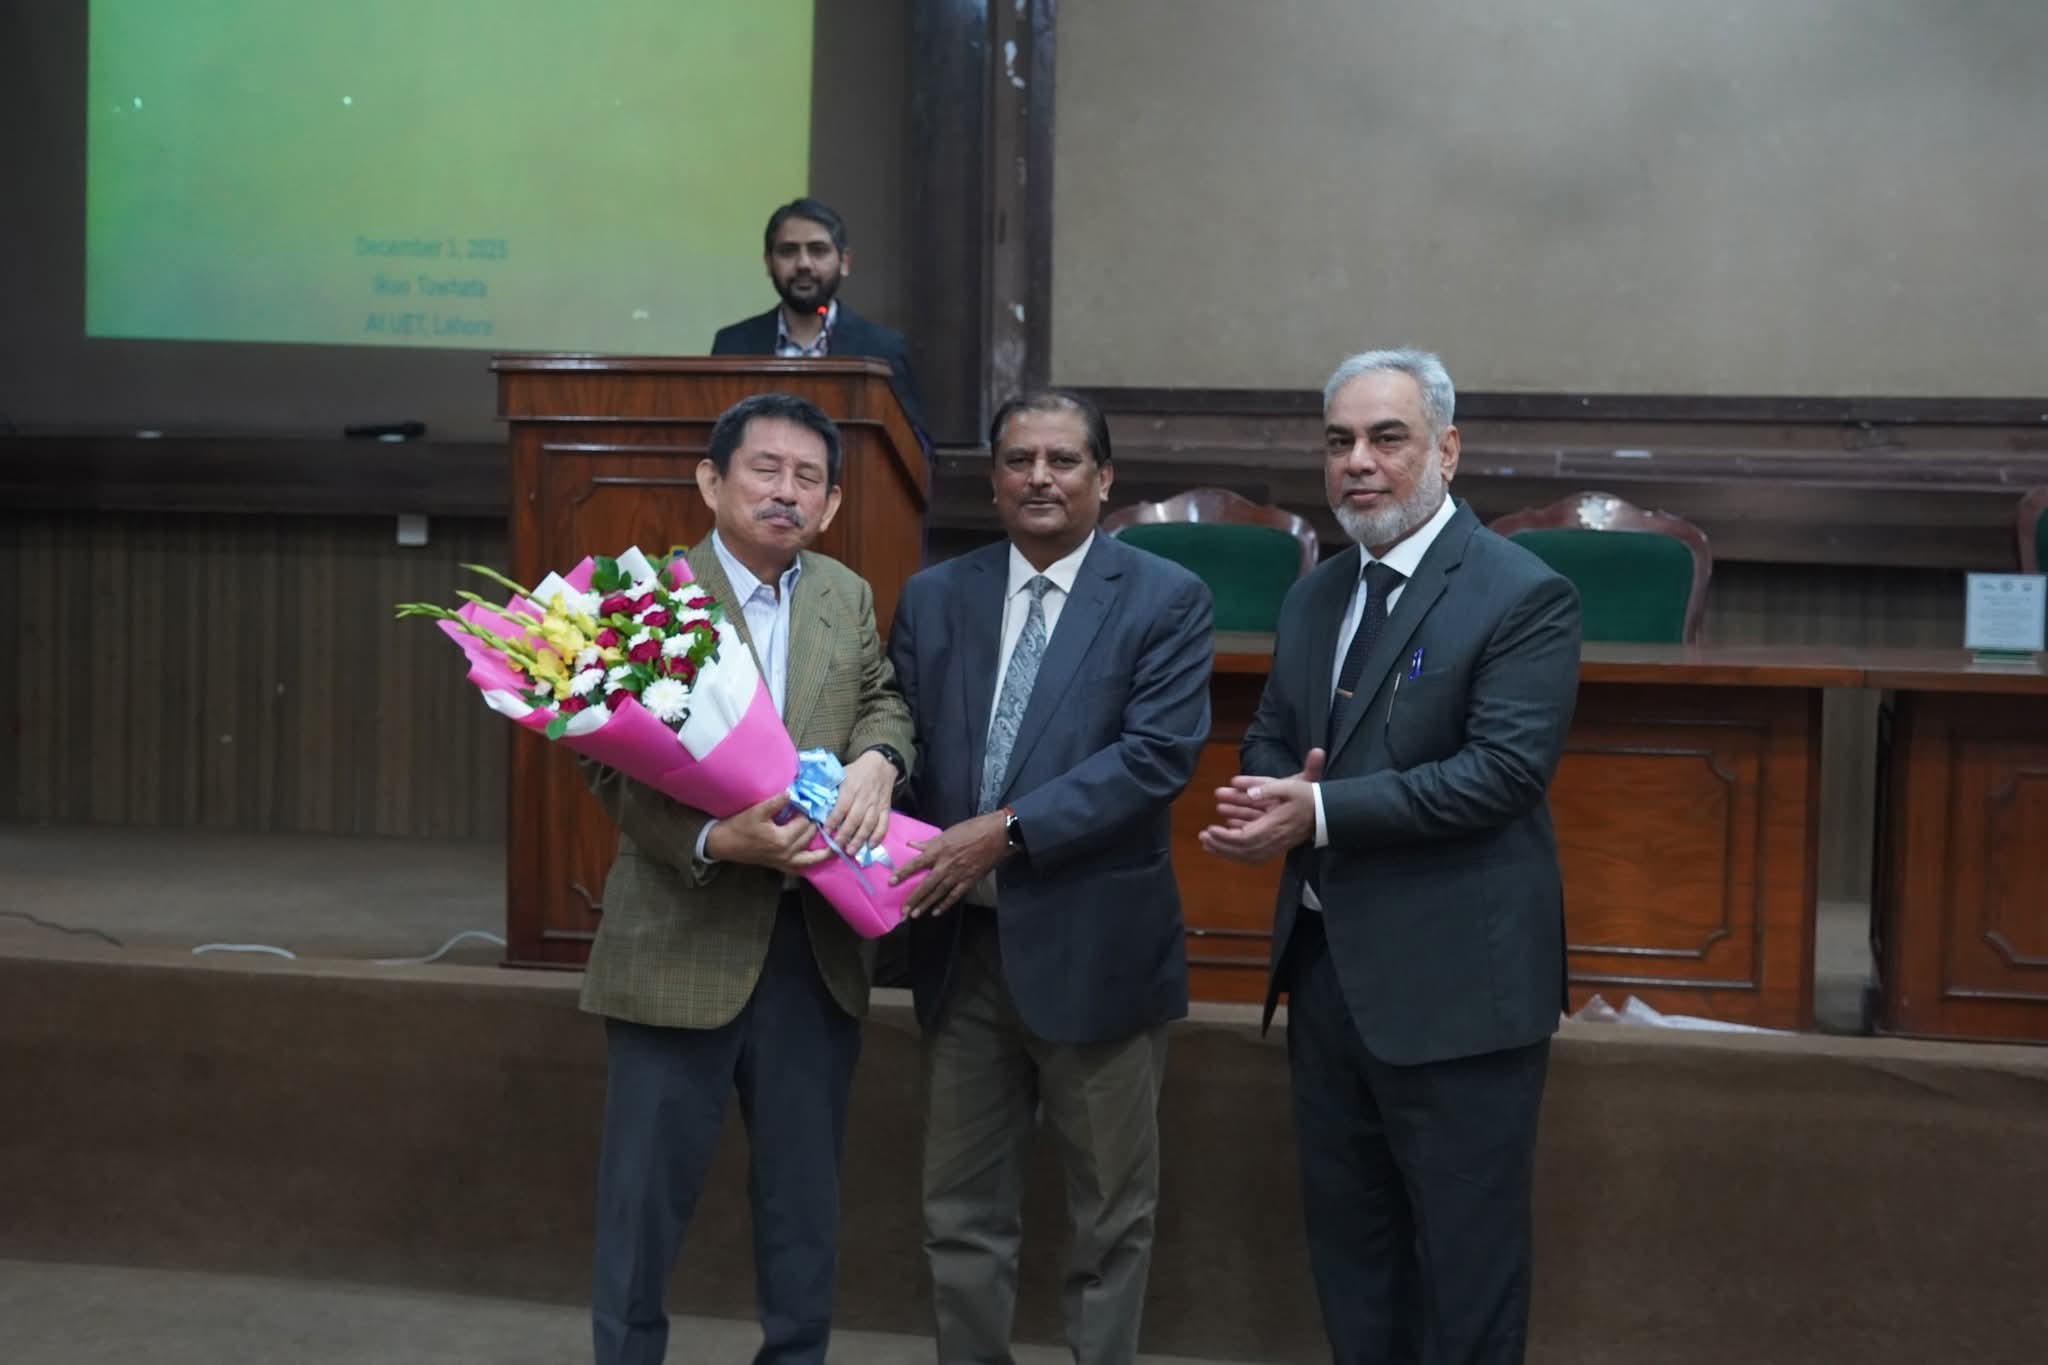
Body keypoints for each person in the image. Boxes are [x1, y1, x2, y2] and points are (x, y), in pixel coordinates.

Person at [1200, 349, 1582, 1365]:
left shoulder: (1519, 594)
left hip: (1458, 991)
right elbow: (1270, 740)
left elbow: (1500, 775)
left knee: (1465, 1271)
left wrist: (1316, 811)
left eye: (1385, 438)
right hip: (1327, 981)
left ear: (1445, 451)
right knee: (1353, 1256)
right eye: (1337, 442)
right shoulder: (1313, 595)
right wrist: (1265, 796)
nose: (1356, 464)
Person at [578, 392, 913, 1365]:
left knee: (801, 1208)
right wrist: (714, 842)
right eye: (764, 469)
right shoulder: (647, 597)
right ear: (710, 482)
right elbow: (603, 762)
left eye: (807, 478)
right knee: (640, 1212)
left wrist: (880, 761)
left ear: (832, 505)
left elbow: (882, 703)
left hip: (811, 950)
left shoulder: (841, 596)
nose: (784, 492)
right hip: (677, 939)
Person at [885, 389, 1213, 1365]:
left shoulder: (1163, 598)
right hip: (960, 948)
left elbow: (1155, 757)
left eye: (1062, 460)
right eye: (1018, 459)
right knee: (958, 1211)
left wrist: (1007, 831)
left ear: (1102, 480)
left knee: (1110, 1217)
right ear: (992, 480)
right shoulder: (935, 596)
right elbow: (897, 737)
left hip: (1094, 950)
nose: (1038, 476)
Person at [711, 197, 928, 436]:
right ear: (768, 262)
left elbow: (915, 448)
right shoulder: (732, 344)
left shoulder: (881, 348)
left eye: (818, 250)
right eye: (788, 251)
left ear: (844, 261)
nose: (803, 264)